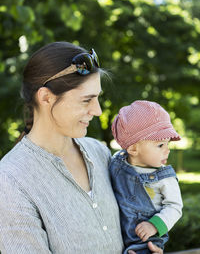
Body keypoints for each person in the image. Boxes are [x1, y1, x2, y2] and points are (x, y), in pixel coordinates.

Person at [0, 42, 163, 254]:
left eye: (97, 98)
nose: (97, 110)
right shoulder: (11, 181)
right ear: (46, 97)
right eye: (87, 100)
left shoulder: (100, 153)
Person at [110, 100, 183, 254]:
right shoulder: (117, 164)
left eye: (168, 144)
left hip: (145, 240)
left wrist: (154, 225)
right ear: (133, 148)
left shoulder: (164, 177)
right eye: (160, 145)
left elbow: (175, 207)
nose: (167, 150)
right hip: (116, 234)